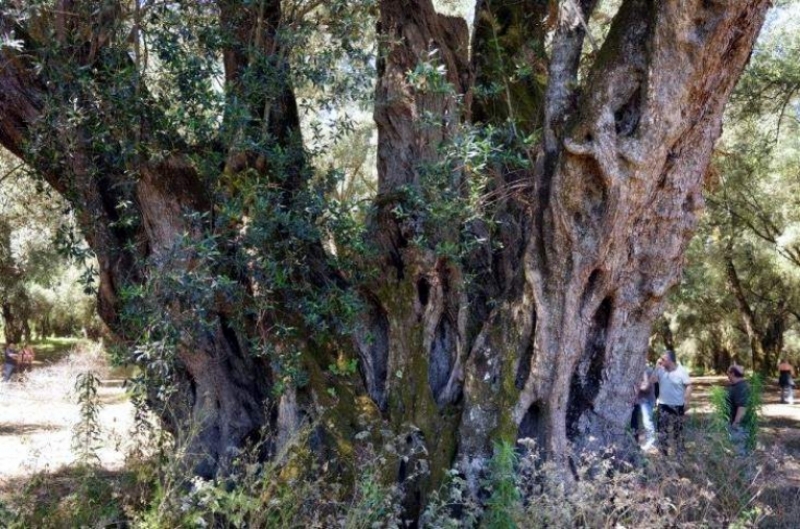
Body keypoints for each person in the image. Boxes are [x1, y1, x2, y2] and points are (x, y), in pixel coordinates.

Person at [651, 350, 692, 454]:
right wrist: (656, 367)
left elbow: (689, 385)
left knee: (678, 430)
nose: (661, 361)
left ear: (670, 361)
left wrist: (686, 400)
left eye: (663, 359)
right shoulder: (660, 369)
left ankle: (679, 453)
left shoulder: (681, 371)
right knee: (662, 430)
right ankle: (663, 453)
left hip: (677, 405)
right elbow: (652, 381)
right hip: (663, 405)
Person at [726, 364, 751, 454]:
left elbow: (742, 407)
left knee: (739, 452)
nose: (727, 376)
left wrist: (735, 424)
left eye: (728, 373)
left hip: (739, 427)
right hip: (736, 425)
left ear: (732, 373)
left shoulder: (740, 387)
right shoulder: (737, 386)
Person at [633, 364, 657, 450]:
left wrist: (637, 387)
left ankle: (651, 439)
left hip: (646, 400)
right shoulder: (640, 370)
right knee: (646, 420)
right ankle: (649, 439)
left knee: (647, 420)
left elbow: (646, 387)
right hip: (644, 400)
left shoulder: (647, 370)